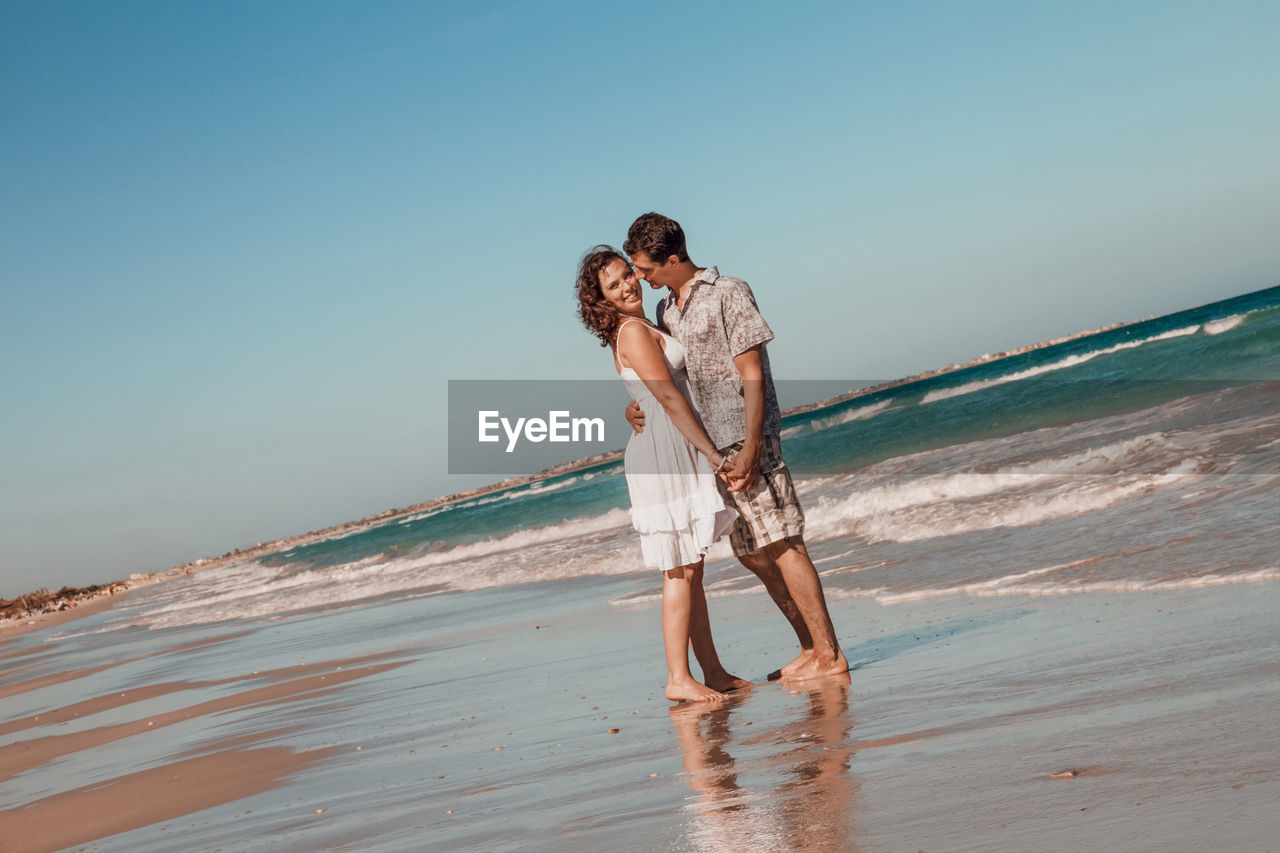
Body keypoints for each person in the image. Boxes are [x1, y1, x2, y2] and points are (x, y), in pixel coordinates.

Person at [623, 212, 849, 680]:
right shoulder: (666, 311)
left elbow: (753, 375)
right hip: (711, 455)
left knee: (785, 543)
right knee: (752, 553)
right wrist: (634, 409)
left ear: (671, 258)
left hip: (748, 442)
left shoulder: (729, 292)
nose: (639, 279)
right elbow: (667, 384)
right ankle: (808, 647)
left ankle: (830, 654)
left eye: (644, 269)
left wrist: (749, 446)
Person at [575, 245, 753, 702]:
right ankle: (678, 678)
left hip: (668, 447)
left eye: (626, 275)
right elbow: (670, 400)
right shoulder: (633, 331)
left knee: (690, 568)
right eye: (612, 285)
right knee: (679, 572)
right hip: (664, 454)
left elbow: (652, 398)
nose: (627, 285)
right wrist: (714, 456)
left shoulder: (639, 326)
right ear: (602, 300)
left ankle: (710, 671)